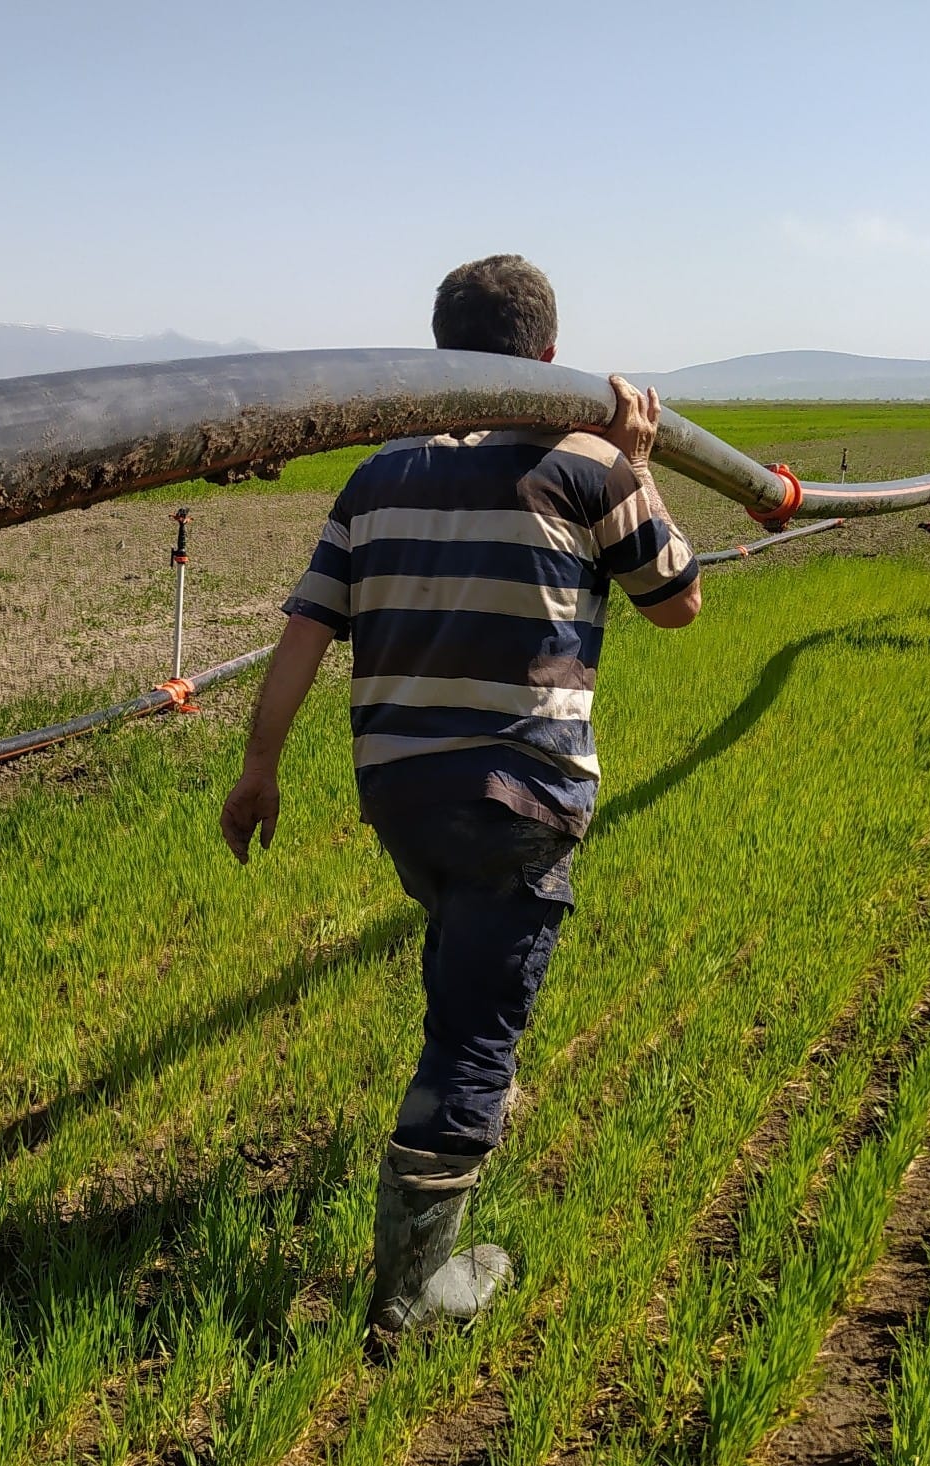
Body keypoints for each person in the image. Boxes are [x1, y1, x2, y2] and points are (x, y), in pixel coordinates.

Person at [218, 254, 701, 1333]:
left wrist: (259, 767)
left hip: (400, 793)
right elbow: (678, 600)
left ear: (440, 350)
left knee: (460, 947)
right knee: (477, 1036)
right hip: (518, 794)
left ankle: (458, 1114)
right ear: (547, 356)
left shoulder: (377, 477)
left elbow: (305, 630)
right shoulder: (584, 463)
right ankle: (413, 1288)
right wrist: (638, 464)